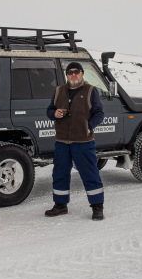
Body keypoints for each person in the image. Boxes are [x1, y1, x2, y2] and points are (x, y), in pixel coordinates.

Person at [45, 61, 106, 220]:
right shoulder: (59, 91)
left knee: (89, 173)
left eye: (76, 71)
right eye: (70, 72)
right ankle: (60, 205)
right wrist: (54, 113)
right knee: (60, 173)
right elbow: (50, 110)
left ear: (82, 73)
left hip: (83, 141)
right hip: (62, 141)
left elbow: (99, 113)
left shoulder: (91, 91)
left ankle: (97, 206)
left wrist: (88, 126)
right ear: (66, 75)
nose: (73, 74)